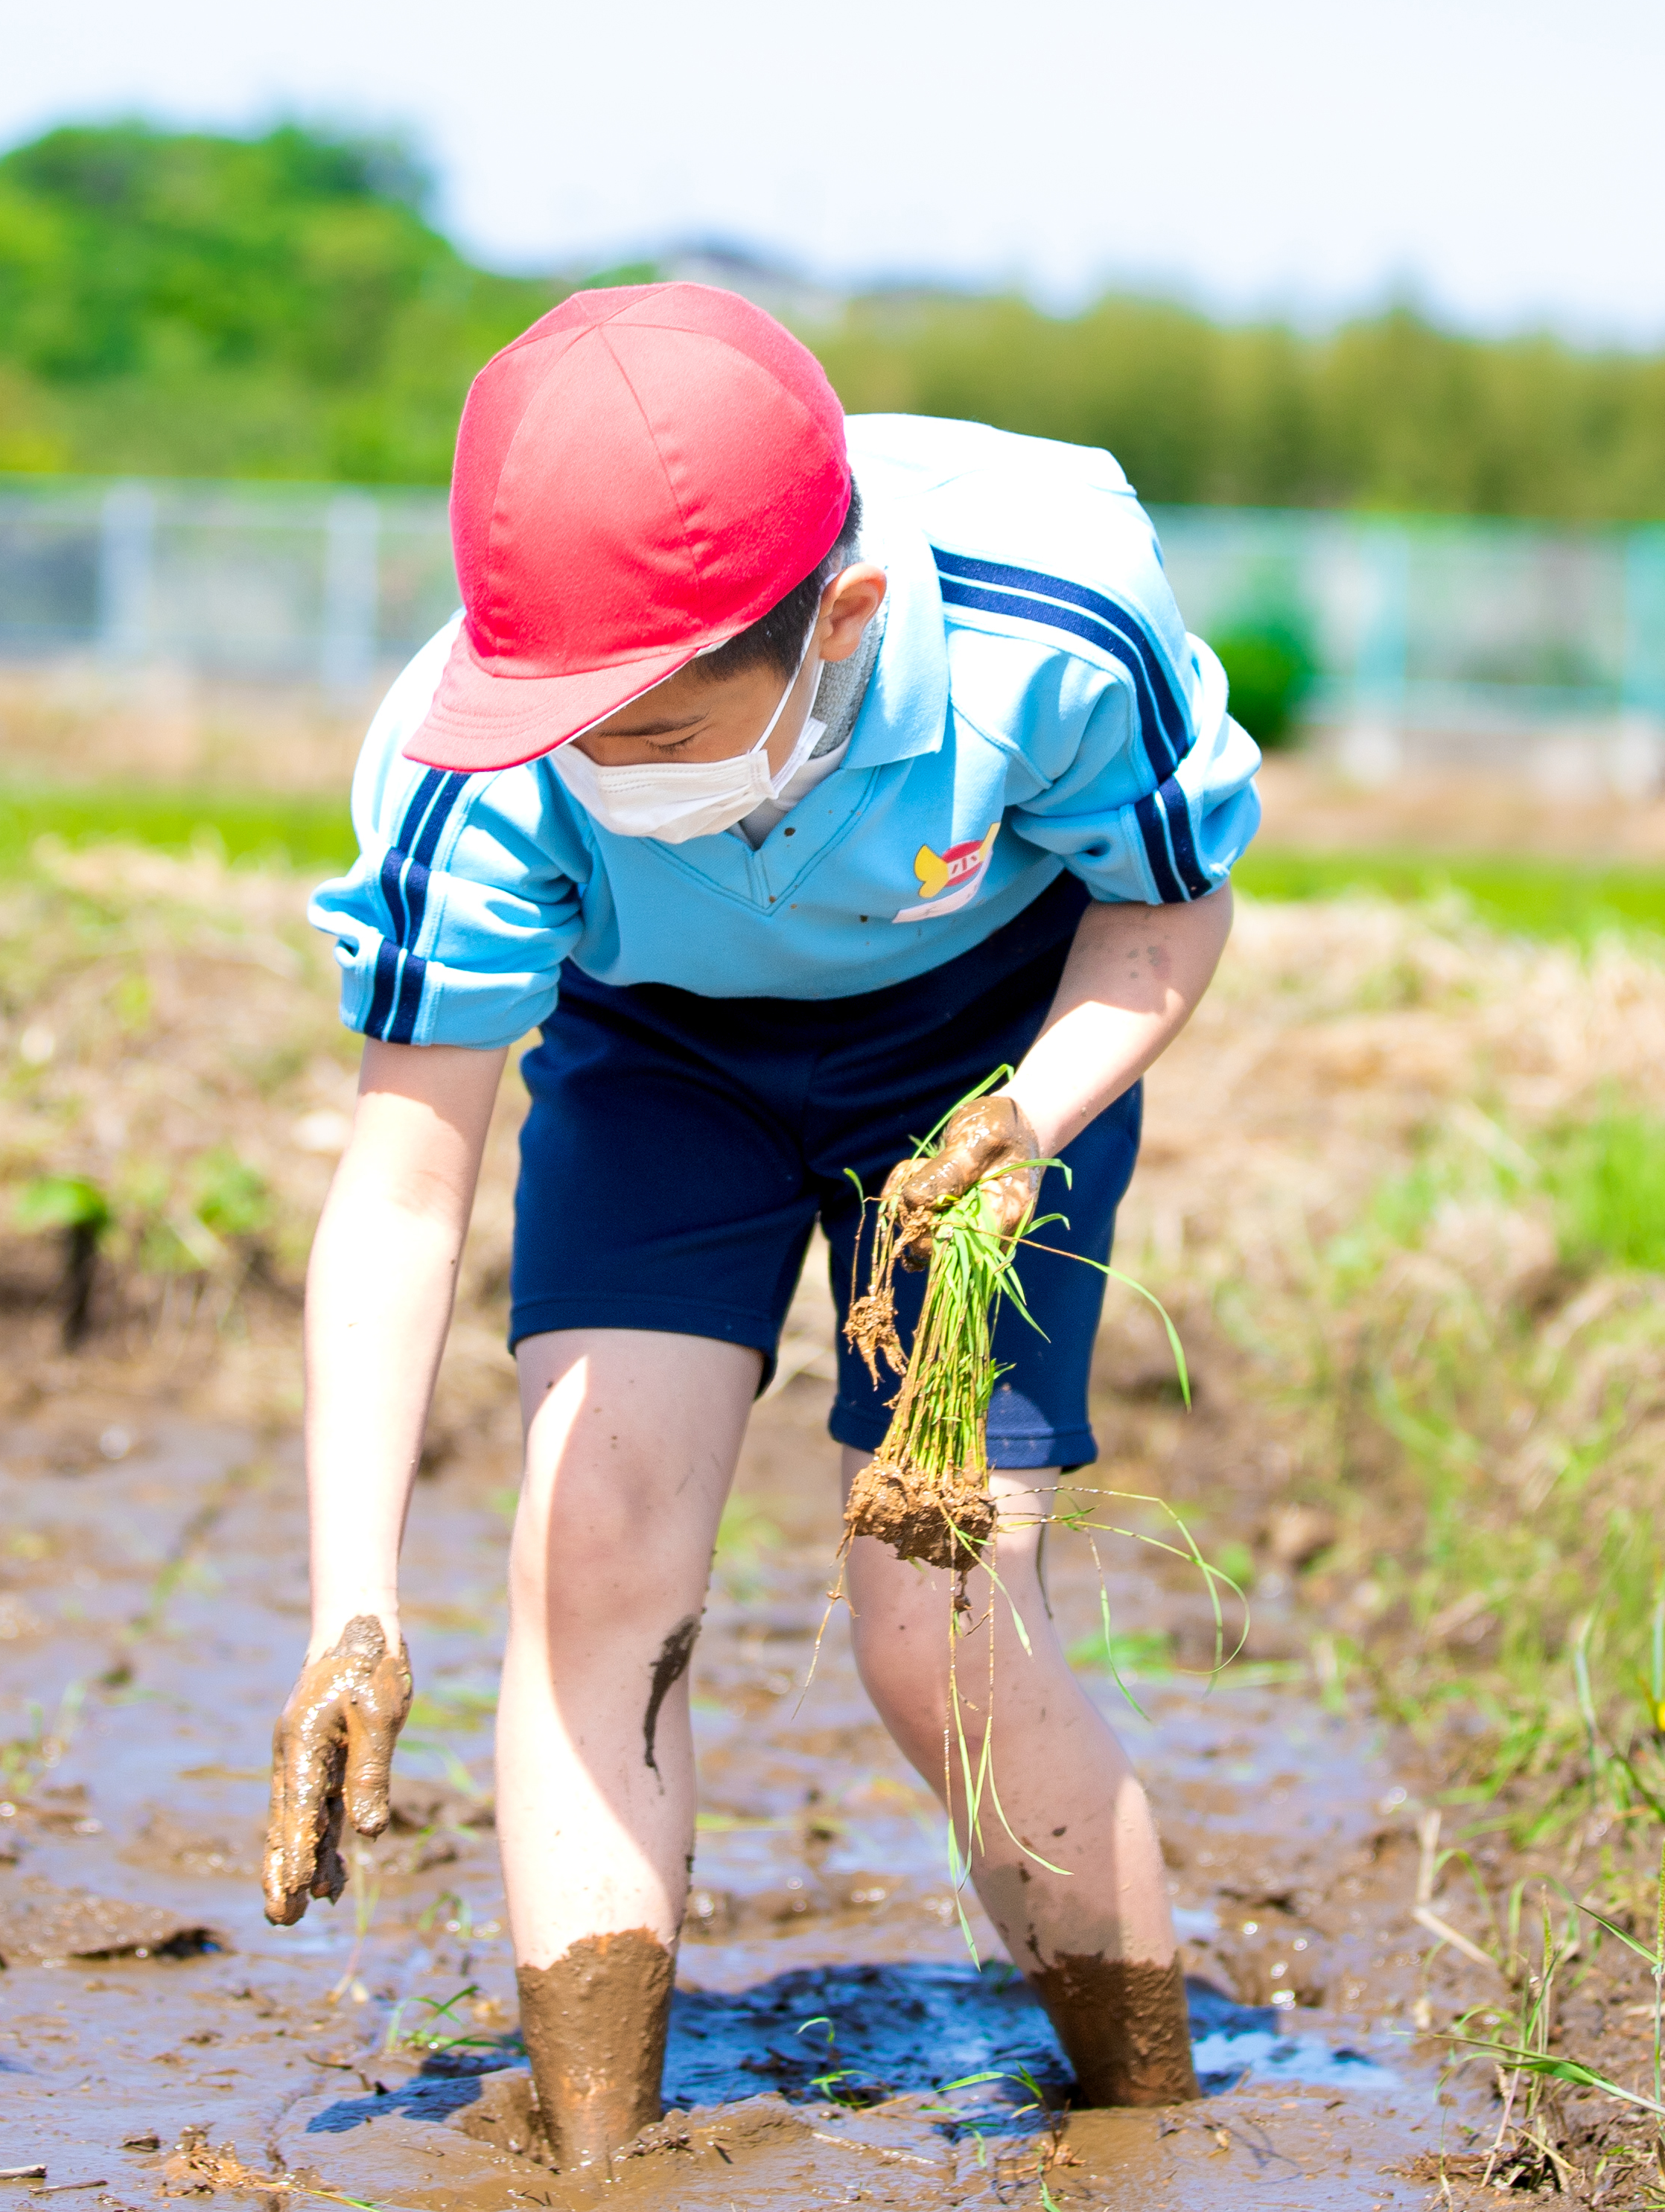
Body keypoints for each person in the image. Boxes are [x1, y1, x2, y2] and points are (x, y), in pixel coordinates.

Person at [255, 282, 1257, 2170]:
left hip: (990, 1046)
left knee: (935, 1610)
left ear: (843, 622)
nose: (607, 769)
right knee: (593, 1547)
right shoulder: (472, 758)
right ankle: (597, 2142)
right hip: (662, 1058)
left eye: (658, 727)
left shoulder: (1054, 621)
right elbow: (401, 1182)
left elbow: (1166, 911)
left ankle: (1146, 2111)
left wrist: (1025, 1118)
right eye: (577, 731)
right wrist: (352, 1603)